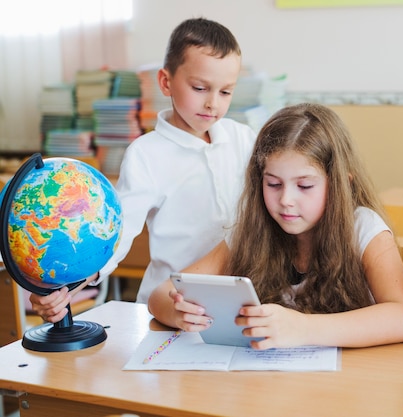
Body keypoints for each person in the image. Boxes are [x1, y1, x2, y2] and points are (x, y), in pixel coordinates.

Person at [30, 17, 256, 323]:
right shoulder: (146, 154)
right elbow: (115, 235)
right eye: (200, 87)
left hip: (237, 302)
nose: (213, 103)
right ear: (165, 82)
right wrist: (66, 289)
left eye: (226, 92)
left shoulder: (243, 138)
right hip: (172, 303)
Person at [148, 103, 403, 350]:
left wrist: (303, 328)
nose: (286, 200)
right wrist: (178, 312)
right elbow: (161, 293)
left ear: (341, 184)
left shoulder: (363, 228)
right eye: (273, 184)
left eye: (305, 186)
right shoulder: (253, 228)